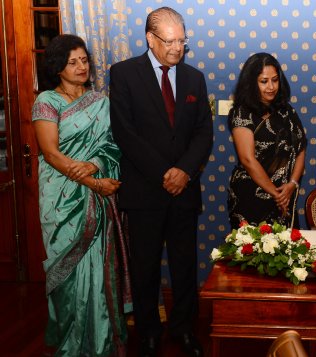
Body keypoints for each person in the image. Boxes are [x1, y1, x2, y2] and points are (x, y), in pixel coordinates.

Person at [109, 7, 213, 357]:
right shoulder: (123, 74)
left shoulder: (194, 79)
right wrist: (163, 174)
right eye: (169, 41)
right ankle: (149, 334)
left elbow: (203, 133)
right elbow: (126, 132)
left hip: (184, 191)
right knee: (145, 268)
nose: (177, 48)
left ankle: (185, 330)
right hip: (144, 191)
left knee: (185, 266)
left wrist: (183, 171)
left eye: (182, 40)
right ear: (150, 39)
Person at [32, 34, 130, 356]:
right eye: (72, 62)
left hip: (97, 197)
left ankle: (101, 341)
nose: (81, 67)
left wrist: (94, 165)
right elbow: (50, 153)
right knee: (67, 275)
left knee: (98, 270)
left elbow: (112, 146)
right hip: (62, 198)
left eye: (84, 60)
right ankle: (69, 343)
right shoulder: (46, 101)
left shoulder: (101, 102)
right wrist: (93, 183)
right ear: (58, 67)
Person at [227, 52, 307, 229]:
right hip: (252, 198)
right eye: (264, 81)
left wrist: (291, 185)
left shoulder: (287, 111)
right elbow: (247, 160)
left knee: (288, 253)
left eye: (275, 80)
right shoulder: (242, 113)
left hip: (285, 196)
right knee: (252, 254)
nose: (271, 86)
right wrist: (276, 194)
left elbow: (301, 149)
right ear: (251, 83)